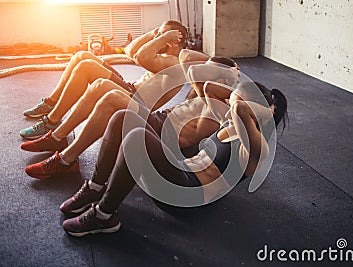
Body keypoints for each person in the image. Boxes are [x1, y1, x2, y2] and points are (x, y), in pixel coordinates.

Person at [61, 81, 288, 236]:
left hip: (186, 197)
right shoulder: (228, 122)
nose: (228, 109)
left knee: (137, 136)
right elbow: (208, 87)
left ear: (259, 113)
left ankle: (103, 216)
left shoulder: (257, 151)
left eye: (235, 104)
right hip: (176, 173)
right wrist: (237, 94)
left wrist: (261, 109)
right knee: (123, 117)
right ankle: (96, 186)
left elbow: (239, 110)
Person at [23, 55, 240, 179]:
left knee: (112, 96)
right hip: (158, 122)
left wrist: (229, 73)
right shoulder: (207, 90)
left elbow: (193, 72)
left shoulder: (224, 101)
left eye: (210, 71)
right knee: (104, 89)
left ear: (223, 78)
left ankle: (64, 158)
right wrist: (213, 63)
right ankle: (60, 139)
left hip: (163, 137)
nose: (202, 70)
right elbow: (186, 58)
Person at [20, 20, 188, 140]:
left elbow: (141, 56)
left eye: (161, 35)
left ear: (174, 40)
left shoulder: (175, 63)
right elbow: (129, 51)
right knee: (82, 56)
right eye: (158, 34)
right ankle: (51, 103)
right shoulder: (164, 56)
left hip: (135, 101)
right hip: (129, 88)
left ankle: (51, 121)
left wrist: (162, 37)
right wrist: (154, 33)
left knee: (86, 66)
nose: (157, 37)